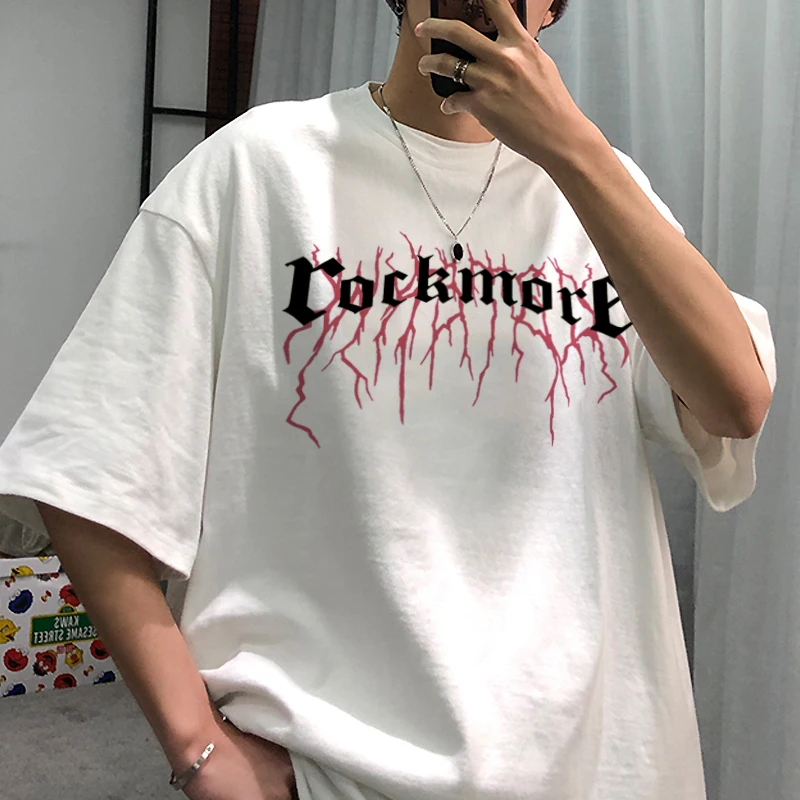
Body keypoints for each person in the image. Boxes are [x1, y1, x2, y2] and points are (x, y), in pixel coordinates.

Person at [0, 0, 777, 798]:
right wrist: (197, 747)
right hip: (331, 767)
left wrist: (573, 150)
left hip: (597, 767)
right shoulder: (260, 167)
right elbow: (83, 466)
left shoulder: (606, 194)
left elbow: (736, 401)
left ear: (552, 5)